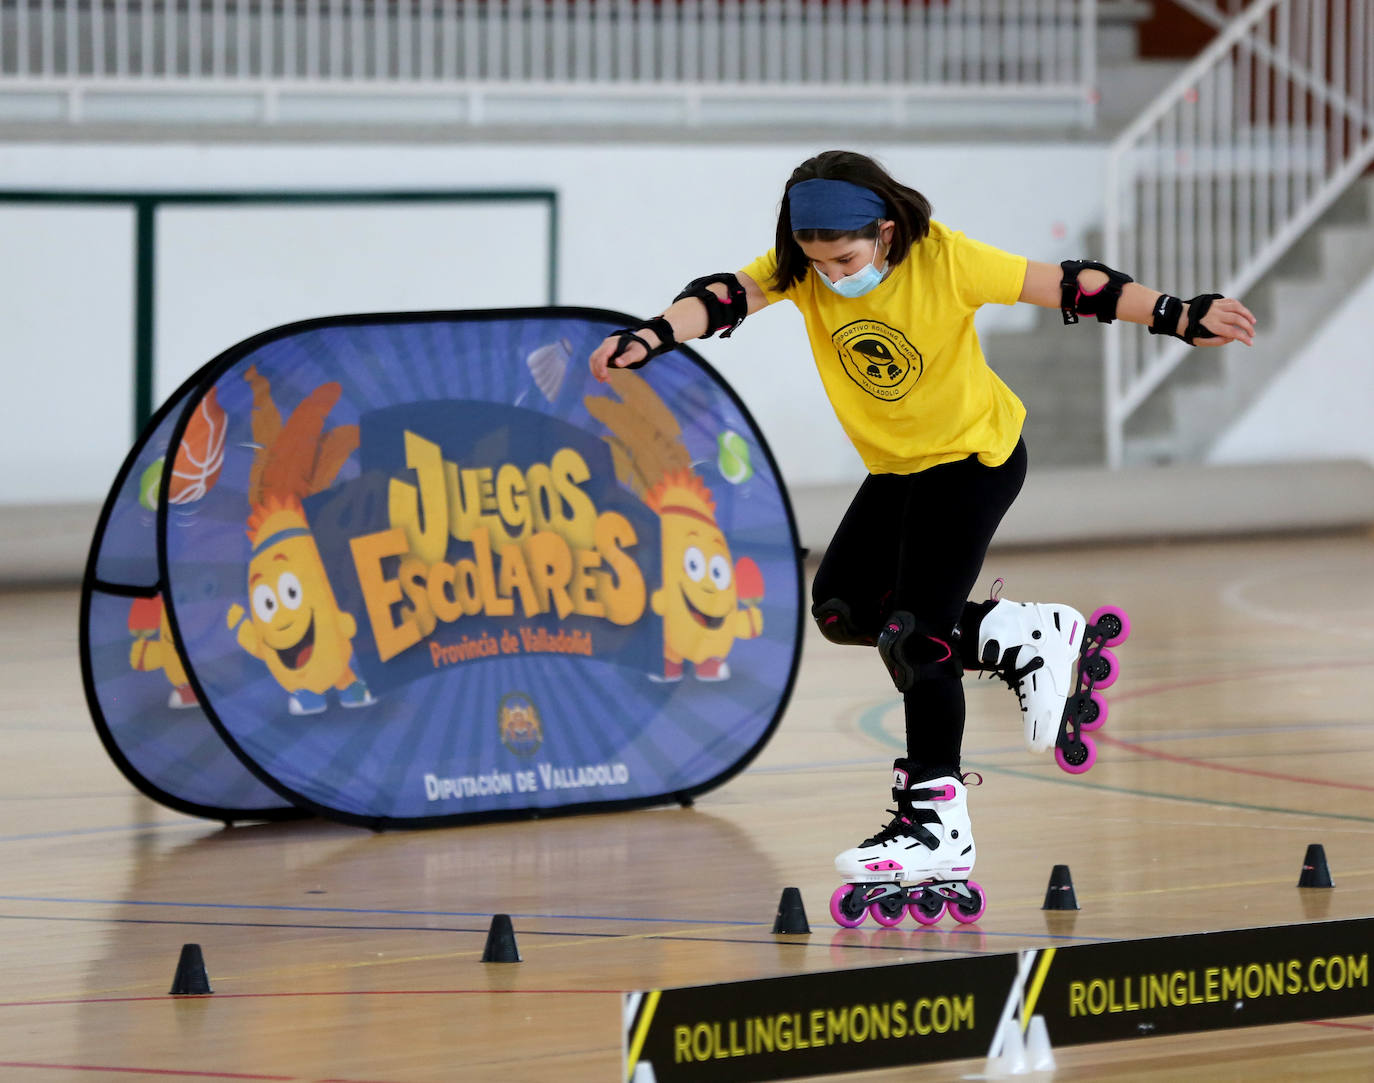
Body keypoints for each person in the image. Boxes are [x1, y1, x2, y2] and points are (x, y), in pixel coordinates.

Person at [588, 149, 1255, 926]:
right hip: (901, 469)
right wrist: (654, 335)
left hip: (974, 460)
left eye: (844, 258)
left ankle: (935, 823)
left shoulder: (947, 260)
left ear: (886, 227)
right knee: (840, 608)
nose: (832, 277)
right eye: (815, 263)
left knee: (914, 633)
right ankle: (1019, 636)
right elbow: (727, 293)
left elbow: (1071, 284)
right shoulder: (802, 268)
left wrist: (1178, 314)